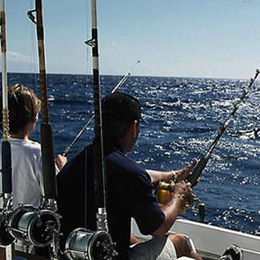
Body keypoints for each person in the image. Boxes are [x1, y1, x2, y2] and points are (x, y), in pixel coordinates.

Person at [57, 92, 202, 260]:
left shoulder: (74, 165)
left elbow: (134, 178)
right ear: (133, 127)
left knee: (130, 238)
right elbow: (158, 228)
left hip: (72, 255)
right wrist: (178, 195)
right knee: (180, 242)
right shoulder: (128, 173)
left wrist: (173, 176)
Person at [0, 84, 67, 209]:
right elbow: (54, 192)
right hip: (27, 226)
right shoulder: (36, 151)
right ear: (32, 120)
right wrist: (62, 169)